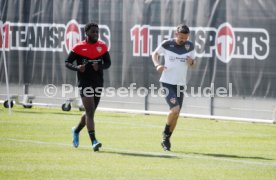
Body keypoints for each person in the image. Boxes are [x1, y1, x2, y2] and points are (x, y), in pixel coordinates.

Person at [65, 22, 111, 151]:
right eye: (93, 32)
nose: (96, 34)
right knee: (90, 112)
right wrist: (77, 68)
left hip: (98, 83)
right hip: (84, 83)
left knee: (89, 112)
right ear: (86, 33)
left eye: (97, 32)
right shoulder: (78, 47)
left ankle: (76, 130)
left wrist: (100, 66)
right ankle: (94, 141)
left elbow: (108, 63)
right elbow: (67, 62)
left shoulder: (102, 46)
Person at [151, 24, 195, 151]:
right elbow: (155, 54)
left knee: (176, 114)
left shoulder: (190, 46)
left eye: (185, 38)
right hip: (167, 82)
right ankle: (165, 134)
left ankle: (166, 139)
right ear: (176, 35)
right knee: (175, 109)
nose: (183, 40)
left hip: (180, 84)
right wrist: (157, 65)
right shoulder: (167, 44)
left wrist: (191, 62)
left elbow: (193, 63)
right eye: (181, 37)